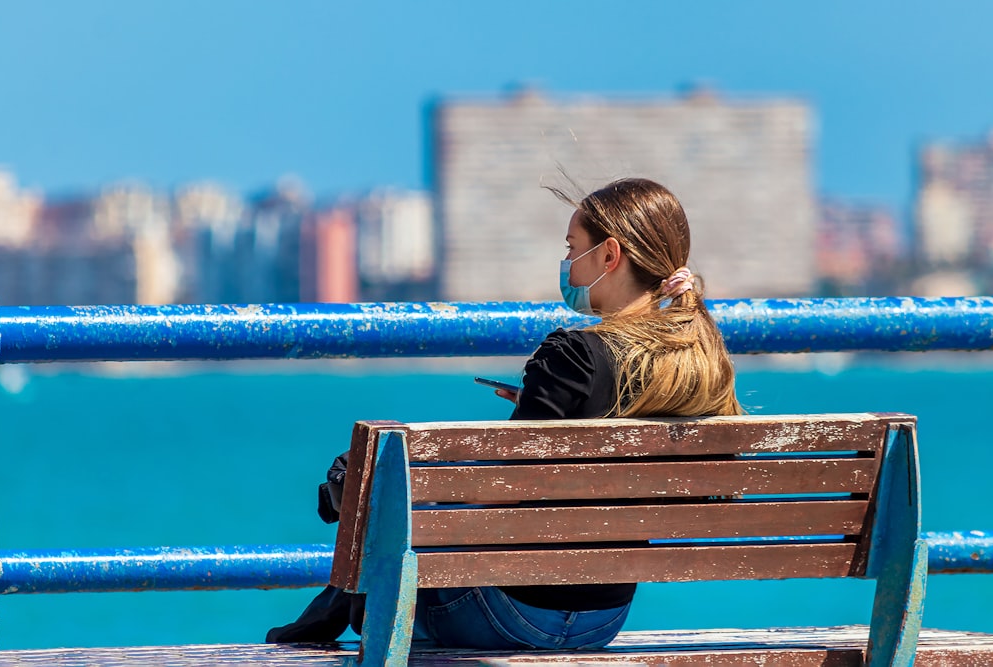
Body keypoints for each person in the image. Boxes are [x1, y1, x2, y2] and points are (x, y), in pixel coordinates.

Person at [266, 177, 742, 649]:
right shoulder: (698, 364)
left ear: (609, 256)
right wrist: (544, 409)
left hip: (509, 613)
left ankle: (340, 600)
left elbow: (501, 489)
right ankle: (338, 600)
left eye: (573, 248)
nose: (568, 264)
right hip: (603, 619)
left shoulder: (572, 356)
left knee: (388, 495)